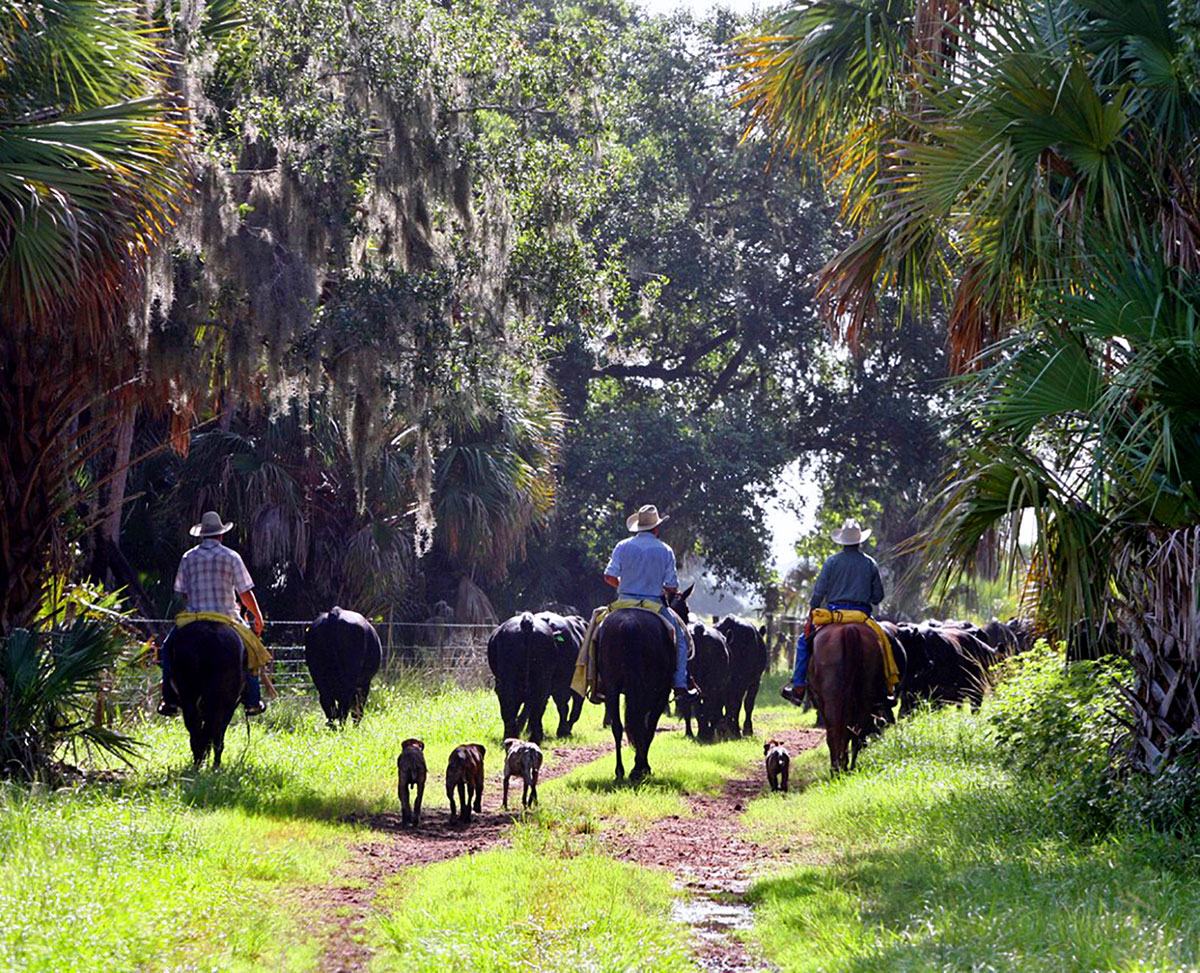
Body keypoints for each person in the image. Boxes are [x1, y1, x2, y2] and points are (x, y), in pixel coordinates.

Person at [158, 510, 267, 717]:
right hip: (228, 618)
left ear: (202, 535)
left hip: (194, 617)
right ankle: (252, 700)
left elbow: (181, 593)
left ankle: (168, 699)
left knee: (167, 648)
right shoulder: (231, 556)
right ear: (221, 535)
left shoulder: (188, 557)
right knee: (253, 652)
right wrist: (257, 616)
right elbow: (244, 592)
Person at [781, 518, 884, 705]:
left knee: (804, 642)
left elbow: (818, 592)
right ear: (860, 540)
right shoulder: (870, 563)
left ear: (842, 541)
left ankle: (798, 687)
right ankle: (886, 688)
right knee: (884, 642)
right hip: (861, 616)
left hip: (834, 614)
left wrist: (811, 614)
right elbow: (878, 596)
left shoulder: (831, 562)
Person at [603, 504, 697, 701]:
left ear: (638, 527)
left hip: (624, 602)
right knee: (680, 639)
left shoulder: (622, 546)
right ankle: (680, 684)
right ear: (656, 528)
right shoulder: (665, 550)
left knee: (595, 634)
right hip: (654, 604)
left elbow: (609, 576)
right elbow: (672, 586)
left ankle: (597, 680)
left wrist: (624, 584)